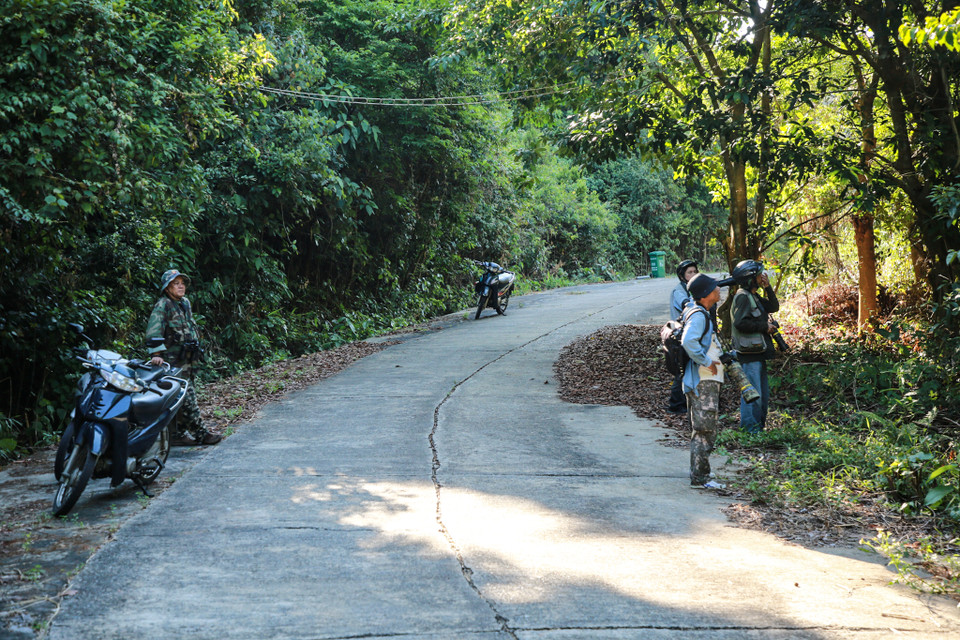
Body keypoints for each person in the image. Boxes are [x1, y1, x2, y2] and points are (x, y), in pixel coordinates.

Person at [146, 269, 221, 446]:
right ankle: (202, 434)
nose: (180, 286)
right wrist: (156, 355)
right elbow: (153, 331)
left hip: (189, 360)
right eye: (175, 283)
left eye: (182, 283)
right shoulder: (163, 305)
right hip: (173, 362)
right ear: (167, 288)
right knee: (187, 398)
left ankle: (176, 435)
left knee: (178, 399)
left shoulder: (185, 303)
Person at [681, 273, 725, 489]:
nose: (719, 289)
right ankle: (700, 478)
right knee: (704, 430)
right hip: (703, 381)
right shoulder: (699, 315)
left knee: (704, 429)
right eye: (715, 287)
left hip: (705, 381)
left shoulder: (700, 311)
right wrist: (707, 361)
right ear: (706, 294)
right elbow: (688, 341)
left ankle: (701, 471)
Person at [730, 260, 780, 433]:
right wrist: (764, 327)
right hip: (749, 354)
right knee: (753, 395)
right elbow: (740, 323)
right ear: (750, 278)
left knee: (762, 395)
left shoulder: (752, 295)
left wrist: (768, 288)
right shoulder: (743, 296)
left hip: (758, 352)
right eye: (759, 275)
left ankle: (758, 429)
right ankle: (750, 431)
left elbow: (773, 307)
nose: (762, 277)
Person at [667, 259, 699, 413]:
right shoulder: (679, 290)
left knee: (690, 368)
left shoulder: (692, 289)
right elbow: (686, 304)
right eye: (689, 273)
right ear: (682, 276)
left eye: (694, 272)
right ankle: (675, 405)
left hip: (691, 333)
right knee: (682, 369)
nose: (692, 275)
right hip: (680, 335)